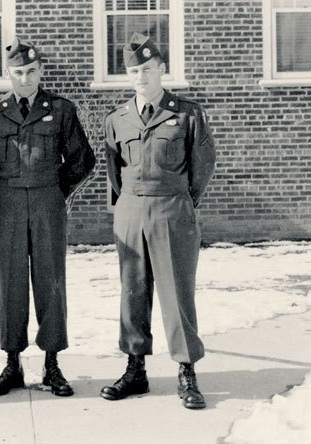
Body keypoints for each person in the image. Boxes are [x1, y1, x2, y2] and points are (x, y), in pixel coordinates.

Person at [0, 37, 95, 398]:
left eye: (31, 71)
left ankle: (52, 363)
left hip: (46, 203)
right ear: (8, 73)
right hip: (6, 204)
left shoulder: (61, 109)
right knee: (9, 282)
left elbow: (82, 159)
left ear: (40, 71)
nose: (24, 78)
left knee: (50, 281)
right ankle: (12, 362)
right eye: (18, 72)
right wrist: (2, 188)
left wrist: (57, 190)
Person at [101, 33, 216, 409]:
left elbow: (203, 167)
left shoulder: (187, 113)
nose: (141, 77)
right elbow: (114, 172)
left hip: (172, 210)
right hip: (131, 211)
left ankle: (186, 371)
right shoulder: (117, 118)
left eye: (147, 69)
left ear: (161, 69)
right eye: (134, 71)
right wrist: (130, 204)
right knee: (132, 292)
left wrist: (180, 200)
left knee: (176, 294)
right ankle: (135, 369)